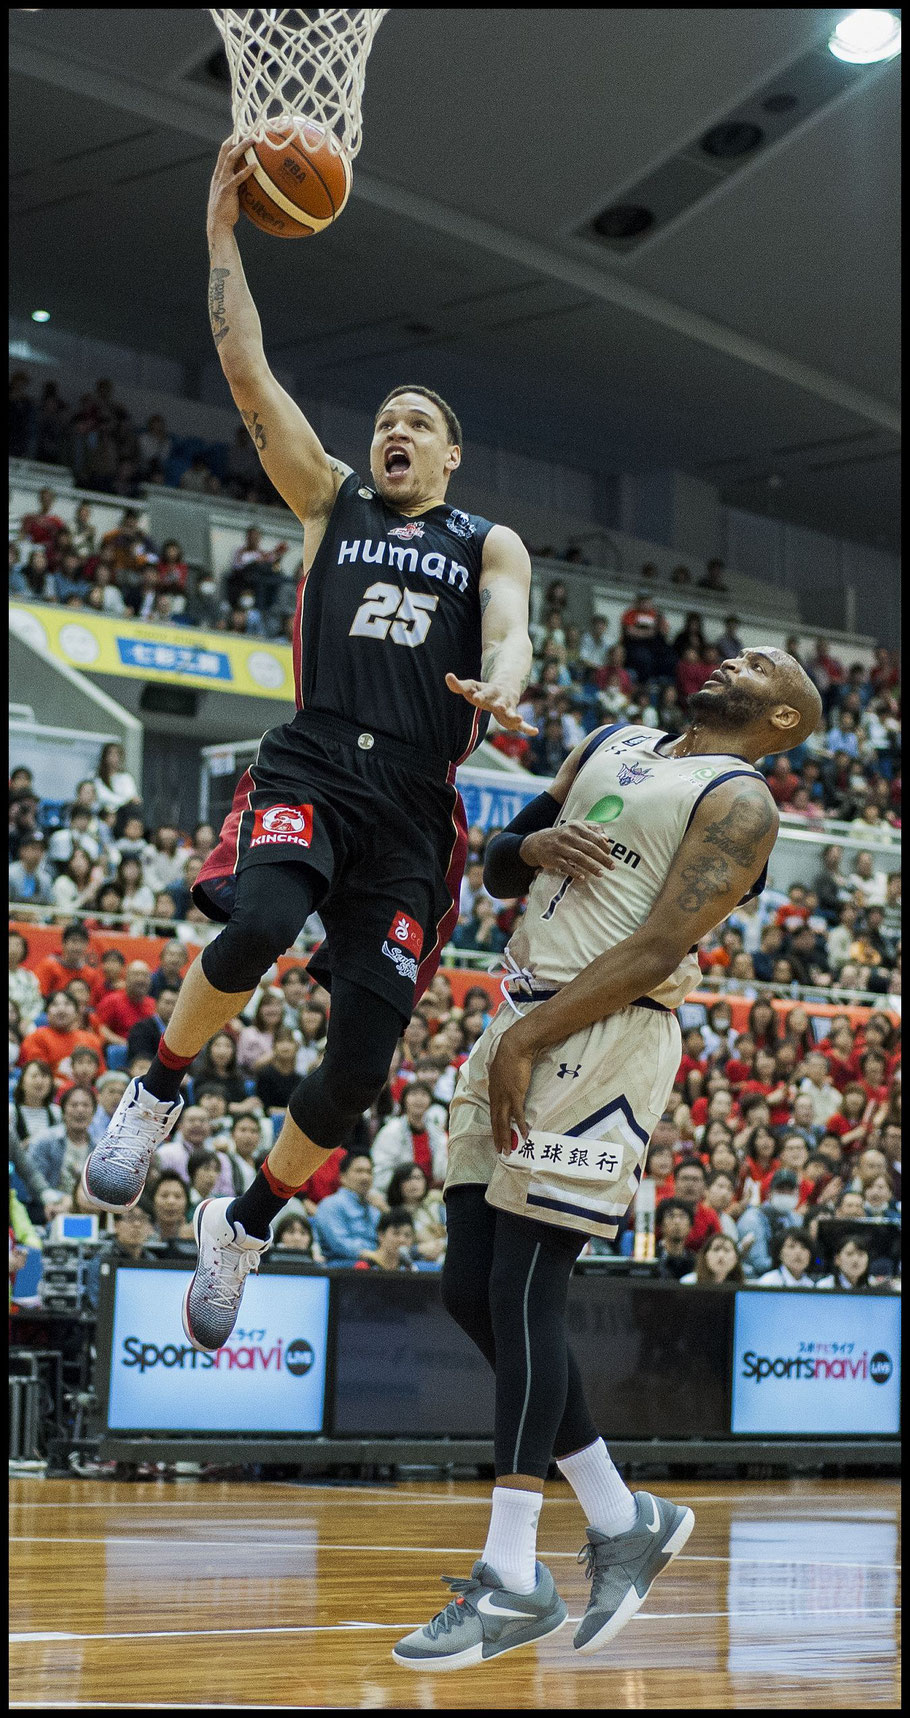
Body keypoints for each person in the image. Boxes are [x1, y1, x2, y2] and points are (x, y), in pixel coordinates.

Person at [82, 137, 537, 1354]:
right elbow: (245, 368)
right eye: (384, 419)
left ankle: (248, 1216)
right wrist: (222, 232)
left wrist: (500, 684)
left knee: (356, 1069)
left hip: (416, 803)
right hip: (317, 758)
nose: (394, 431)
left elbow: (512, 631)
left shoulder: (488, 539)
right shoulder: (331, 500)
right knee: (258, 922)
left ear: (449, 456)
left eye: (417, 423)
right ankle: (156, 1084)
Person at [391, 646, 826, 1669]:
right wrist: (531, 850)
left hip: (604, 1034)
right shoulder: (610, 740)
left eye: (767, 665)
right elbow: (500, 858)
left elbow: (656, 948)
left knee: (523, 1283)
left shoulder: (738, 801)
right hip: (516, 1015)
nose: (739, 657)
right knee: (467, 1286)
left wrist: (531, 1042)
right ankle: (619, 1515)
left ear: (784, 723)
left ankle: (509, 1576)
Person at [310, 1150, 381, 1265]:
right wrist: (374, 1254)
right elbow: (339, 1244)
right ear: (342, 1177)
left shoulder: (375, 1208)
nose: (365, 1177)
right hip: (341, 1265)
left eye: (369, 1172)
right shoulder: (331, 1205)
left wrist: (386, 1210)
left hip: (375, 1262)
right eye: (359, 1171)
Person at [354, 1206, 418, 1272]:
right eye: (396, 1233)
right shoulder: (364, 1266)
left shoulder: (409, 1268)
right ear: (381, 1235)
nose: (402, 1240)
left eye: (407, 1235)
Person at [678, 1232, 744, 1286]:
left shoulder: (745, 1287)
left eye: (726, 1250)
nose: (721, 1255)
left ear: (736, 1258)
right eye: (716, 1249)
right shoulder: (688, 1283)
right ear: (705, 1256)